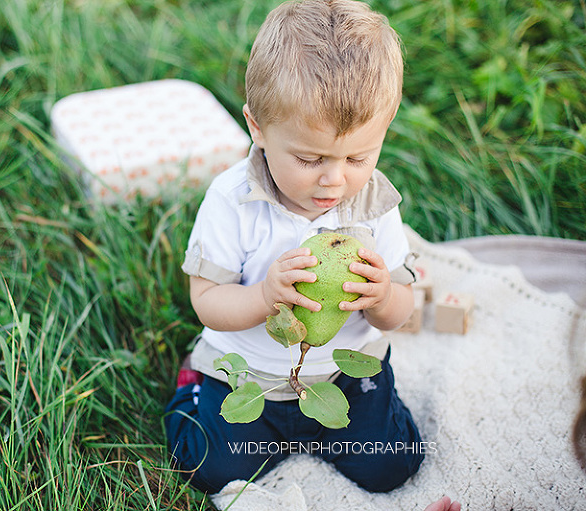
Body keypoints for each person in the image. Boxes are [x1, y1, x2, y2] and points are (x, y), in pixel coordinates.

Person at [164, 0, 424, 495]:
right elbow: (207, 302)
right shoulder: (232, 199)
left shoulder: (374, 205)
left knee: (393, 465)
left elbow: (402, 313)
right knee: (208, 467)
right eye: (309, 158)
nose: (334, 178)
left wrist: (384, 295)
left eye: (358, 157)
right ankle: (190, 391)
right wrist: (264, 297)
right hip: (249, 376)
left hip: (342, 379)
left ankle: (346, 424)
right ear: (257, 128)